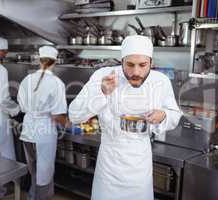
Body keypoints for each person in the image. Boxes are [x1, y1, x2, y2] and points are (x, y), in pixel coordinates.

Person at [69, 35, 182, 200]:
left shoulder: (161, 81)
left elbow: (174, 114)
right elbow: (74, 115)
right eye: (130, 65)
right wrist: (101, 93)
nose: (136, 72)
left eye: (142, 65)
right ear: (121, 61)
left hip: (140, 163)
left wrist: (163, 115)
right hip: (109, 163)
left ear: (151, 62)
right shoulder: (104, 75)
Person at [17, 46, 69, 200]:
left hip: (27, 132)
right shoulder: (56, 82)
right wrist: (69, 124)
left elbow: (21, 105)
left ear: (39, 61)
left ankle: (32, 196)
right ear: (55, 62)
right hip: (44, 133)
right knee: (44, 172)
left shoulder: (27, 79)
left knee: (34, 170)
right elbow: (58, 115)